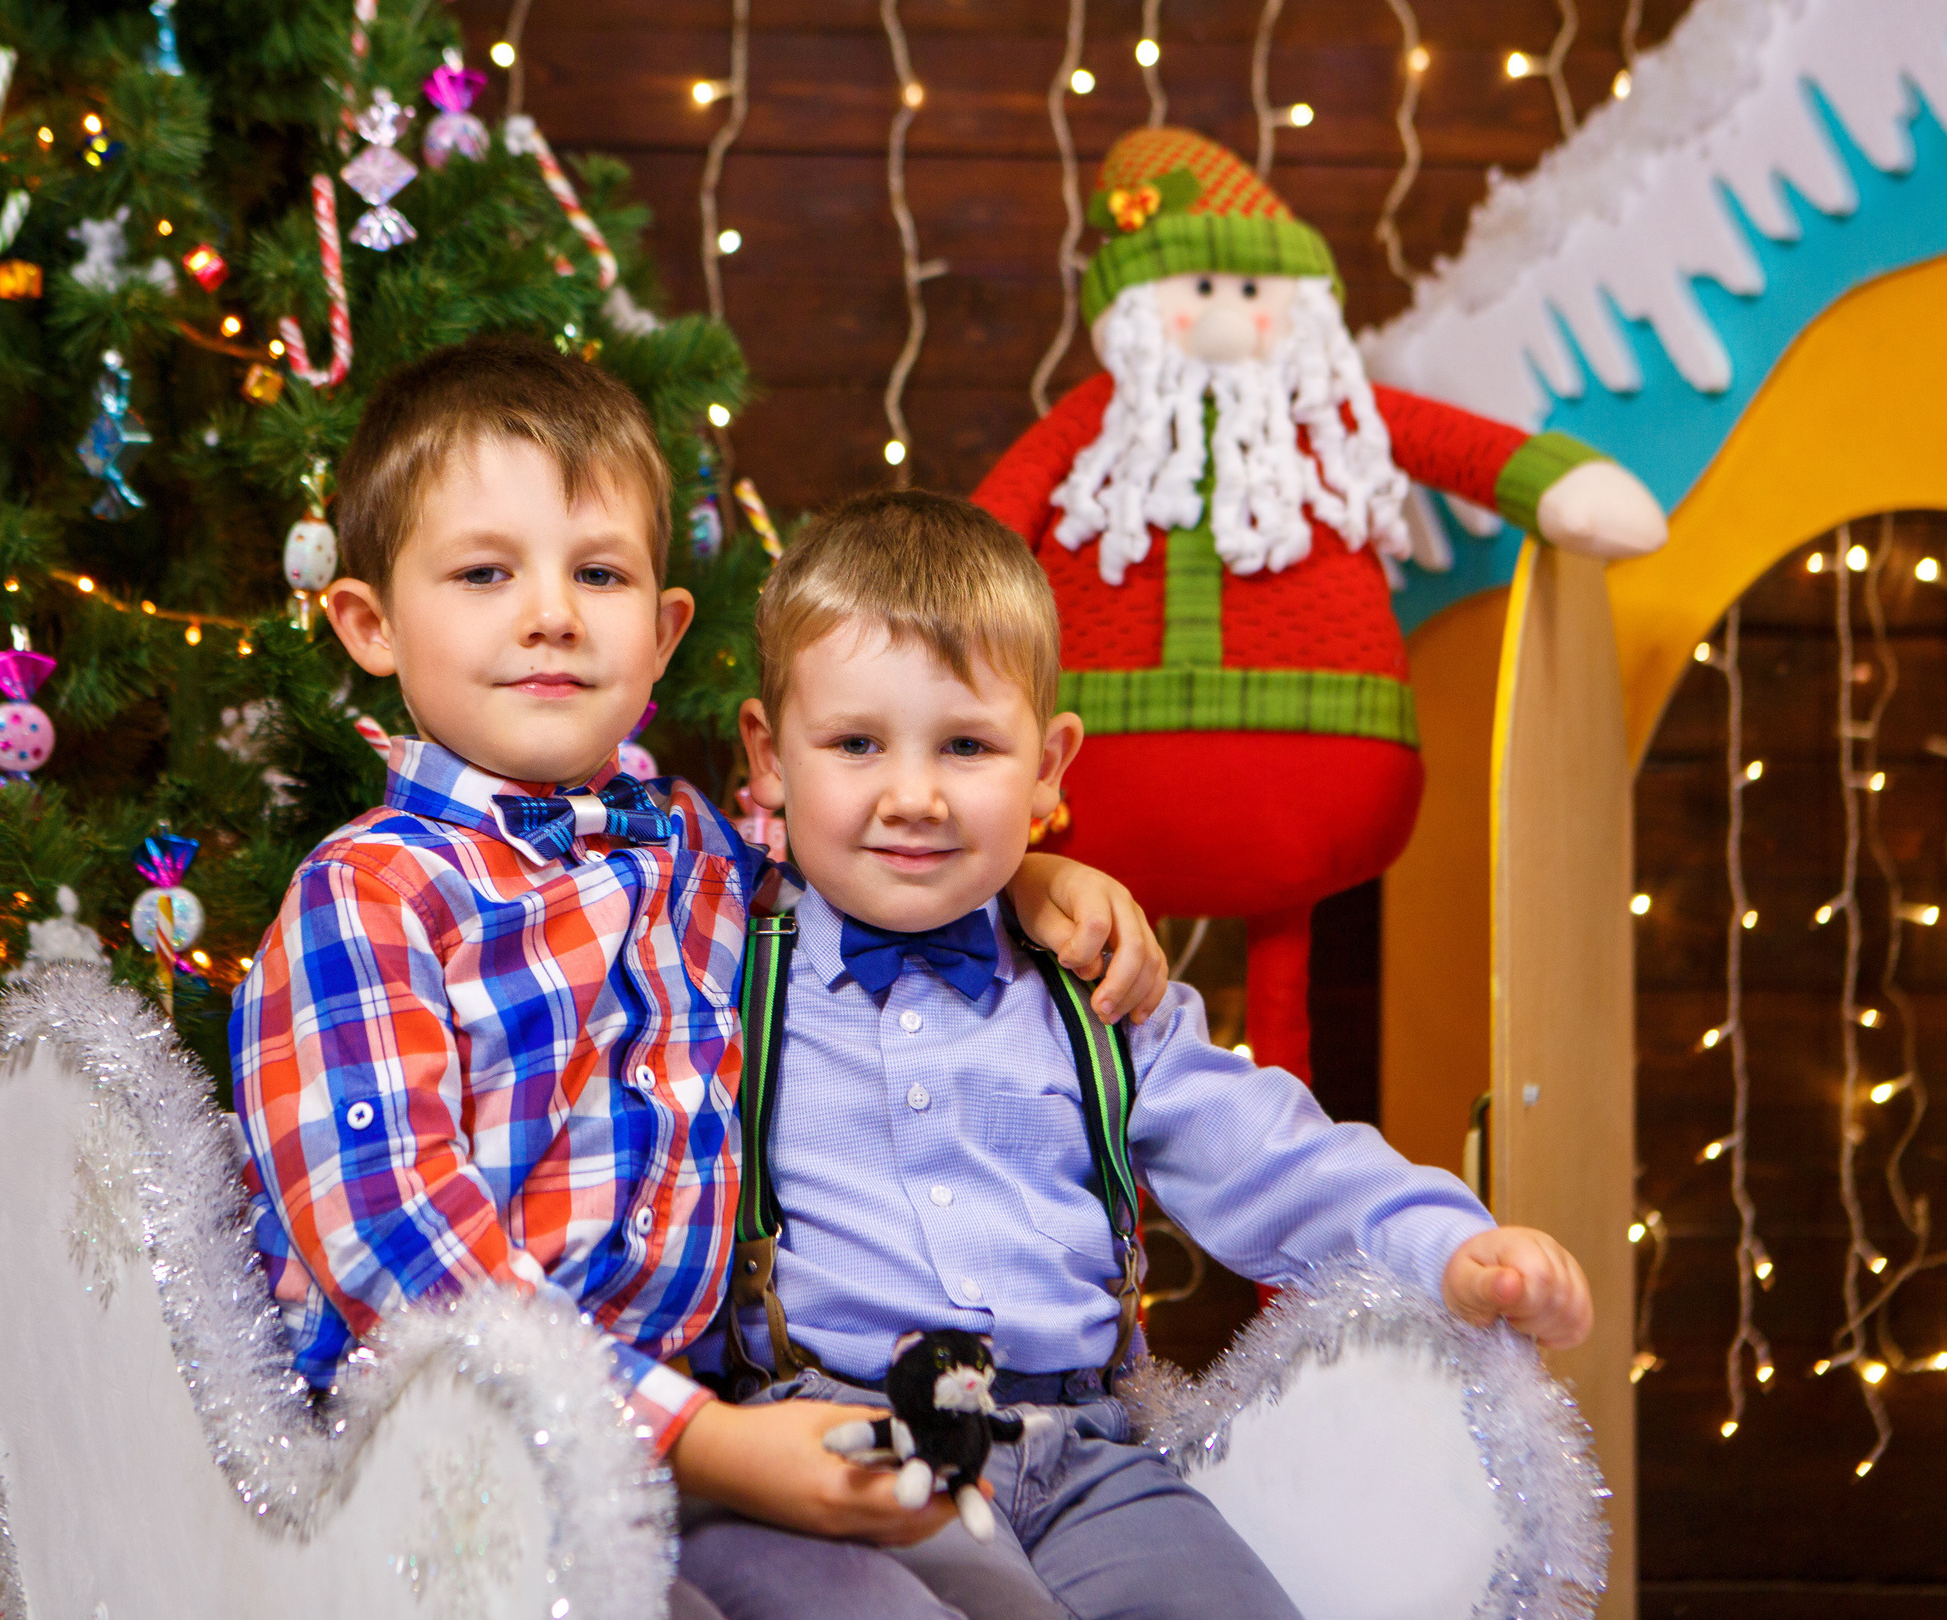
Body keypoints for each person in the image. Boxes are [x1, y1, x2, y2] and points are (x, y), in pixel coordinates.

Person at [228, 337, 1172, 1612]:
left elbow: (872, 863)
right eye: (485, 572)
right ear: (369, 625)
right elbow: (402, 1254)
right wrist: (702, 1439)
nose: (551, 613)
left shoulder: (694, 850)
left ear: (666, 628)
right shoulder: (369, 899)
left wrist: (1028, 877)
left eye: (599, 572)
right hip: (444, 1458)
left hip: (704, 1434)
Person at [676, 490, 1594, 1620]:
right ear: (768, 756)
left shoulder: (1095, 990)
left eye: (967, 746)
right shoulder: (713, 966)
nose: (913, 797)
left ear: (1048, 766)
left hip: (1082, 1455)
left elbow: (1273, 1156)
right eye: (856, 744)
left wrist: (1450, 1242)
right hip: (832, 1443)